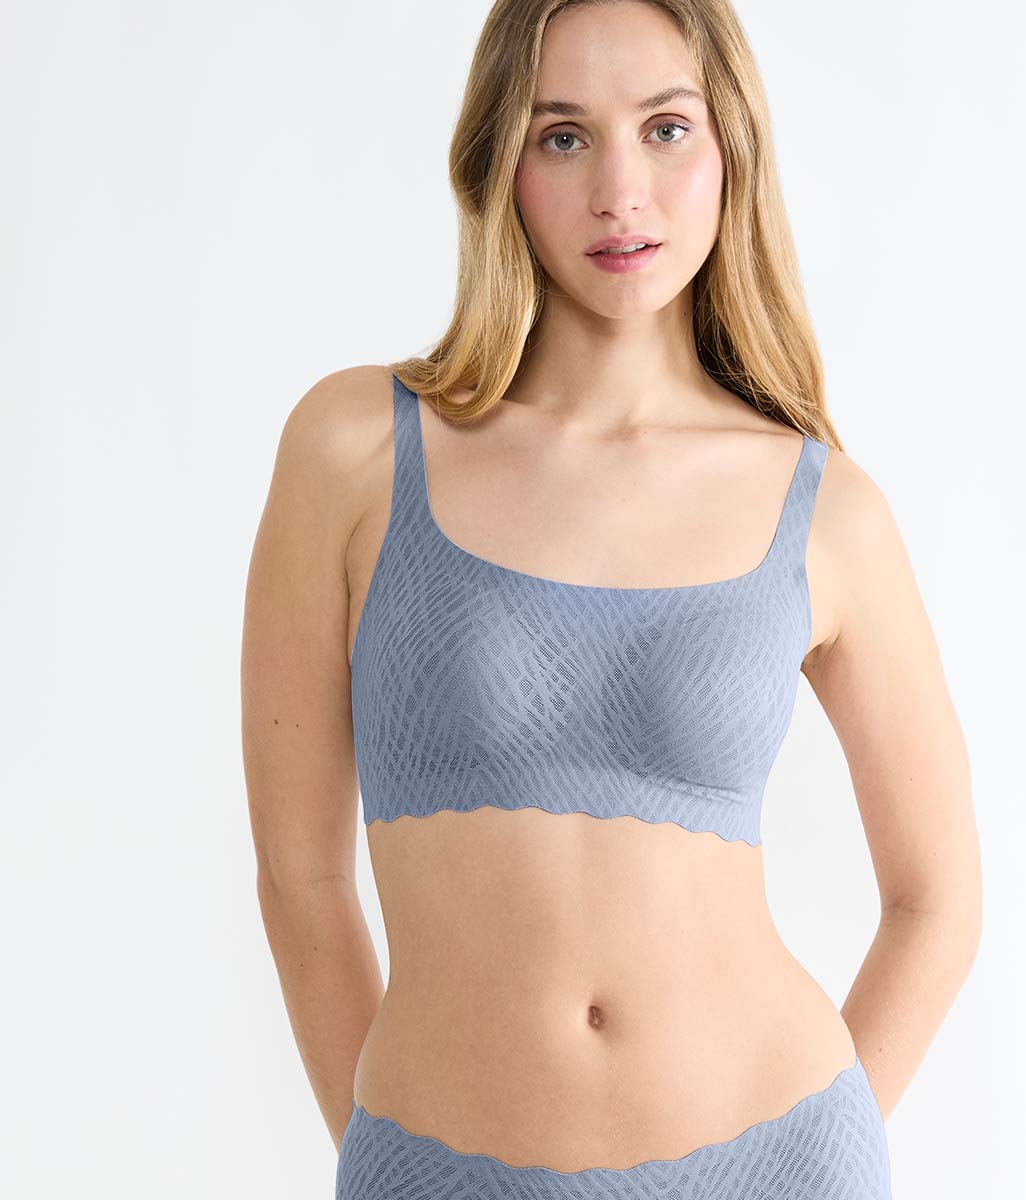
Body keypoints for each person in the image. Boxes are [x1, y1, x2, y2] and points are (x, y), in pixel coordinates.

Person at [242, 1, 982, 1197]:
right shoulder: (356, 451)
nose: (619, 192)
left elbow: (937, 896)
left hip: (772, 1160)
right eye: (564, 137)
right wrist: (386, 1155)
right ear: (500, 163)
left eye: (666, 129)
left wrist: (828, 1149)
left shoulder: (828, 509)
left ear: (732, 146)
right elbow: (300, 878)